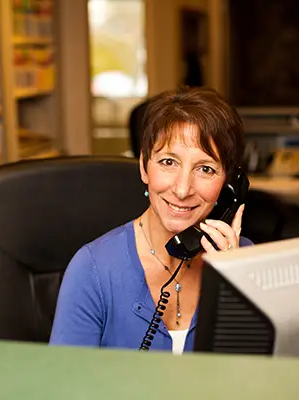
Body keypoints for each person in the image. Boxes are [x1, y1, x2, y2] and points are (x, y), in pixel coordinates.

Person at [49, 86, 253, 354]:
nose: (182, 190)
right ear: (144, 166)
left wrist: (233, 291)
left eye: (205, 169)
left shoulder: (246, 261)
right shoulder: (93, 270)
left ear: (228, 185)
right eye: (168, 162)